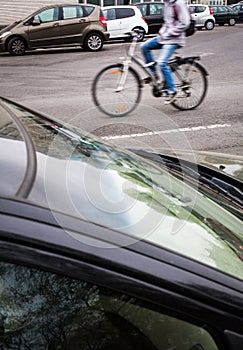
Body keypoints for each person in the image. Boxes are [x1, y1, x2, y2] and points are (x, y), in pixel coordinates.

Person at [141, 0, 190, 105]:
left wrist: (169, 33)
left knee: (162, 62)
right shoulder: (167, 4)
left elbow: (185, 23)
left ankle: (172, 91)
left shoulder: (179, 3)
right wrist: (162, 33)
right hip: (164, 37)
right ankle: (155, 77)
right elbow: (167, 22)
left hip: (175, 39)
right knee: (144, 47)